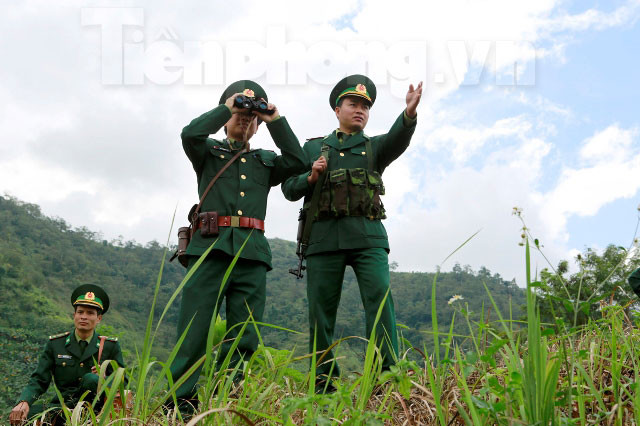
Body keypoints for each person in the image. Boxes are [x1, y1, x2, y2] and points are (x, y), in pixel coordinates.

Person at [169, 80, 306, 406]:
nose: (245, 119)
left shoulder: (265, 160)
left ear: (258, 126)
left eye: (252, 117)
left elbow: (298, 161)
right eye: (239, 114)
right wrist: (227, 107)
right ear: (226, 118)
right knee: (194, 330)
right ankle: (179, 402)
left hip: (251, 255)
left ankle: (227, 401)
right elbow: (189, 134)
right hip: (209, 250)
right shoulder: (208, 152)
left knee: (244, 335)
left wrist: (274, 119)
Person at [282, 74, 422, 392]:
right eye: (353, 104)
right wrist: (310, 177)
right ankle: (323, 383)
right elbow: (289, 189)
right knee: (320, 313)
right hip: (323, 240)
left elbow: (398, 138)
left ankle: (386, 376)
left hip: (368, 238)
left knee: (380, 299)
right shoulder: (313, 147)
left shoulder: (374, 147)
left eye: (365, 106)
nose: (360, 110)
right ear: (337, 109)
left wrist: (409, 113)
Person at [9, 284, 124, 425]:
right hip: (61, 408)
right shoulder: (56, 344)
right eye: (80, 312)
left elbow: (122, 382)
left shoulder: (109, 346)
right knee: (23, 416)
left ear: (99, 318)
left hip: (95, 411)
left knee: (91, 379)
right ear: (74, 315)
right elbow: (39, 379)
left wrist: (104, 379)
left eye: (90, 313)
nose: (84, 317)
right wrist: (24, 401)